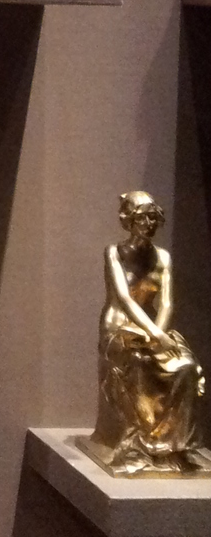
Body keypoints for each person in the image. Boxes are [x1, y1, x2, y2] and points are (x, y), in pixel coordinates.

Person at [84, 190, 208, 475]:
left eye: (154, 218)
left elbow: (166, 303)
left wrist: (159, 334)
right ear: (129, 221)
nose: (150, 224)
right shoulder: (114, 253)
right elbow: (125, 300)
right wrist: (156, 336)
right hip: (118, 329)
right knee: (139, 363)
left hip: (152, 329)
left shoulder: (163, 257)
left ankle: (174, 448)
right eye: (143, 218)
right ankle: (141, 446)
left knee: (186, 368)